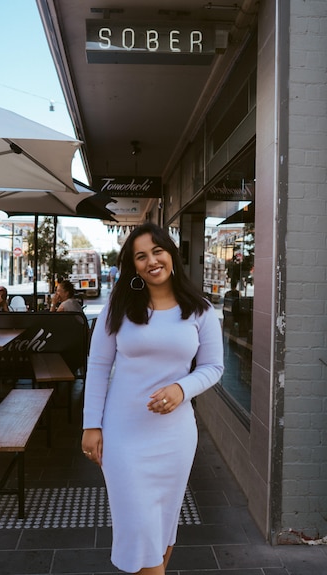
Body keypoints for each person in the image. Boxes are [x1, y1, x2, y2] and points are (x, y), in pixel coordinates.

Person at [81, 222, 224, 574]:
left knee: (162, 526)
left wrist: (182, 388)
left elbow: (213, 367)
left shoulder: (200, 310)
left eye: (157, 251)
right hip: (124, 435)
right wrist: (91, 425)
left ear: (171, 254)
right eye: (140, 256)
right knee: (139, 528)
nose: (151, 261)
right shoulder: (118, 305)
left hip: (175, 437)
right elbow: (98, 366)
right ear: (134, 266)